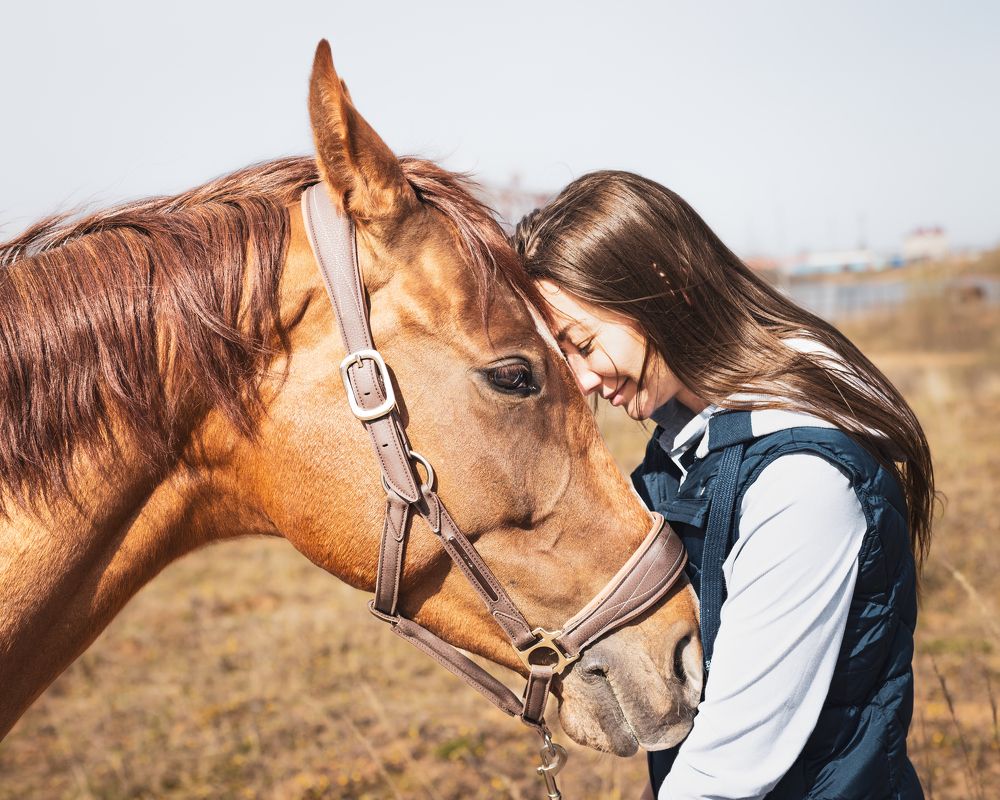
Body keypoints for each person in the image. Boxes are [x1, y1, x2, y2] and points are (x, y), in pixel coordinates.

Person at [512, 171, 931, 800]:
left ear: (656, 287)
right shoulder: (686, 453)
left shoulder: (799, 481)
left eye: (582, 342)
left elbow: (732, 768)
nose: (585, 381)